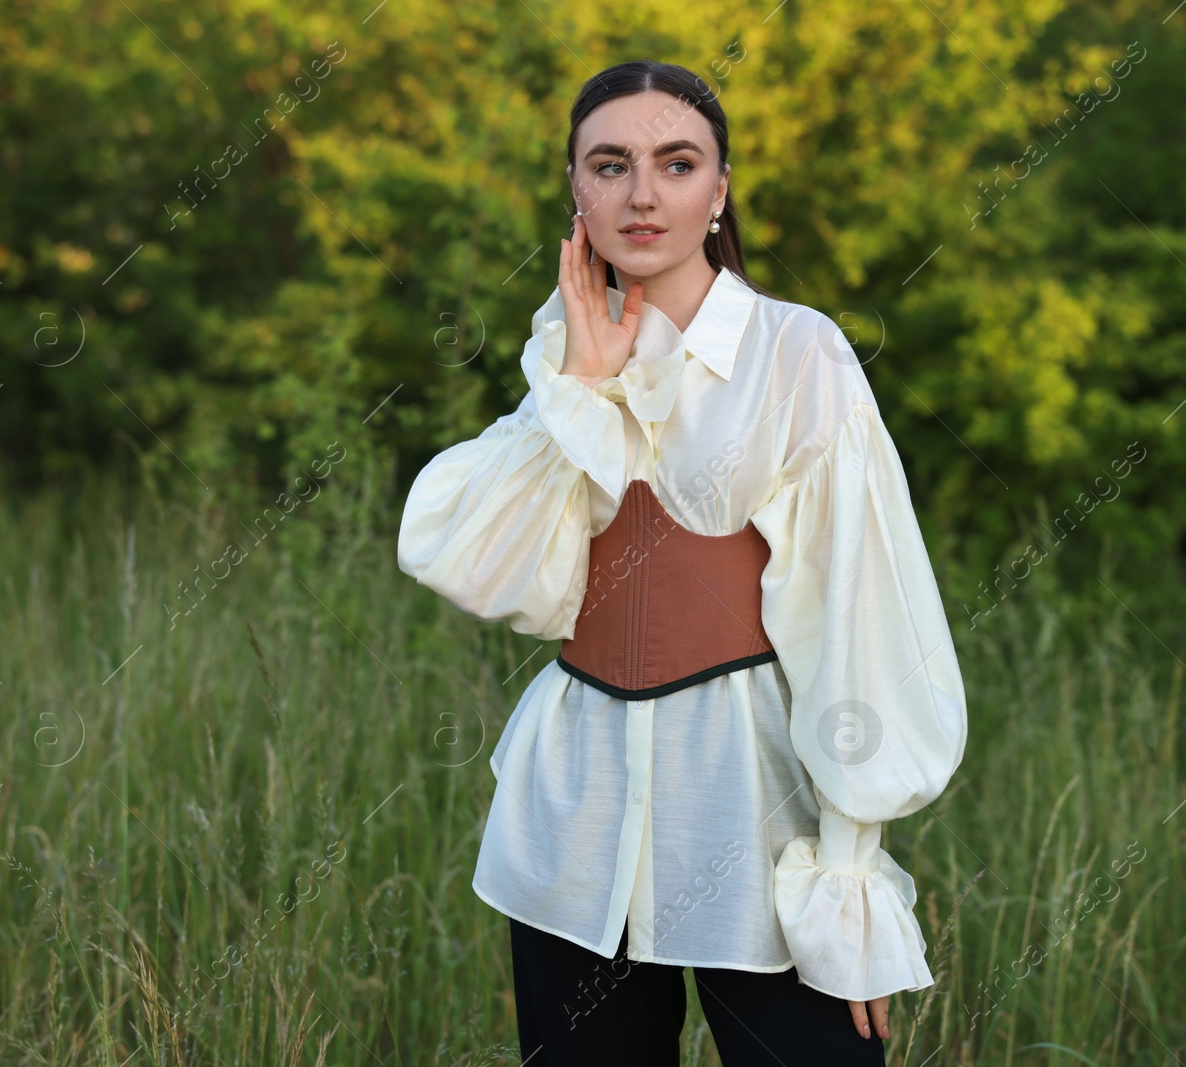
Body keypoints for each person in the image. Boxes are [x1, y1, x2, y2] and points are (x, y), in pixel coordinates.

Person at [397, 60, 967, 1066]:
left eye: (676, 162)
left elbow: (860, 608)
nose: (642, 193)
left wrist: (848, 874)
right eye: (610, 165)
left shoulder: (800, 354)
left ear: (720, 187)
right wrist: (581, 381)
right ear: (576, 187)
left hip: (756, 811)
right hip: (571, 818)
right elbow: (464, 553)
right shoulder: (559, 349)